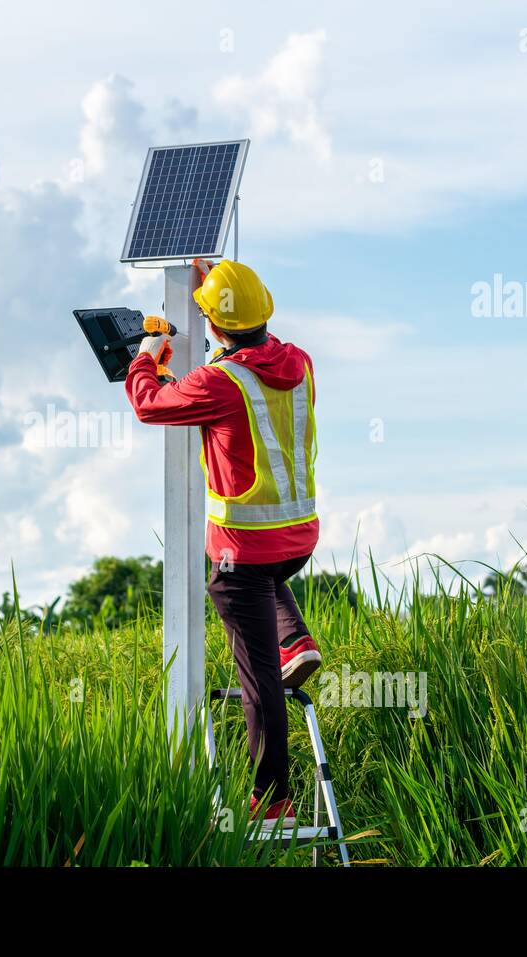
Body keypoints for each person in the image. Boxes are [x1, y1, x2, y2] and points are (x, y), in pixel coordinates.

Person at [123, 259, 320, 822]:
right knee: (265, 586)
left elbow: (149, 404)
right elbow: (248, 355)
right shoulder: (299, 363)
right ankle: (294, 639)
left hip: (243, 551)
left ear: (211, 325)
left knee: (260, 682)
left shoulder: (218, 382)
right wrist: (221, 289)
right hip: (297, 539)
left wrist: (146, 355)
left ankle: (272, 799)